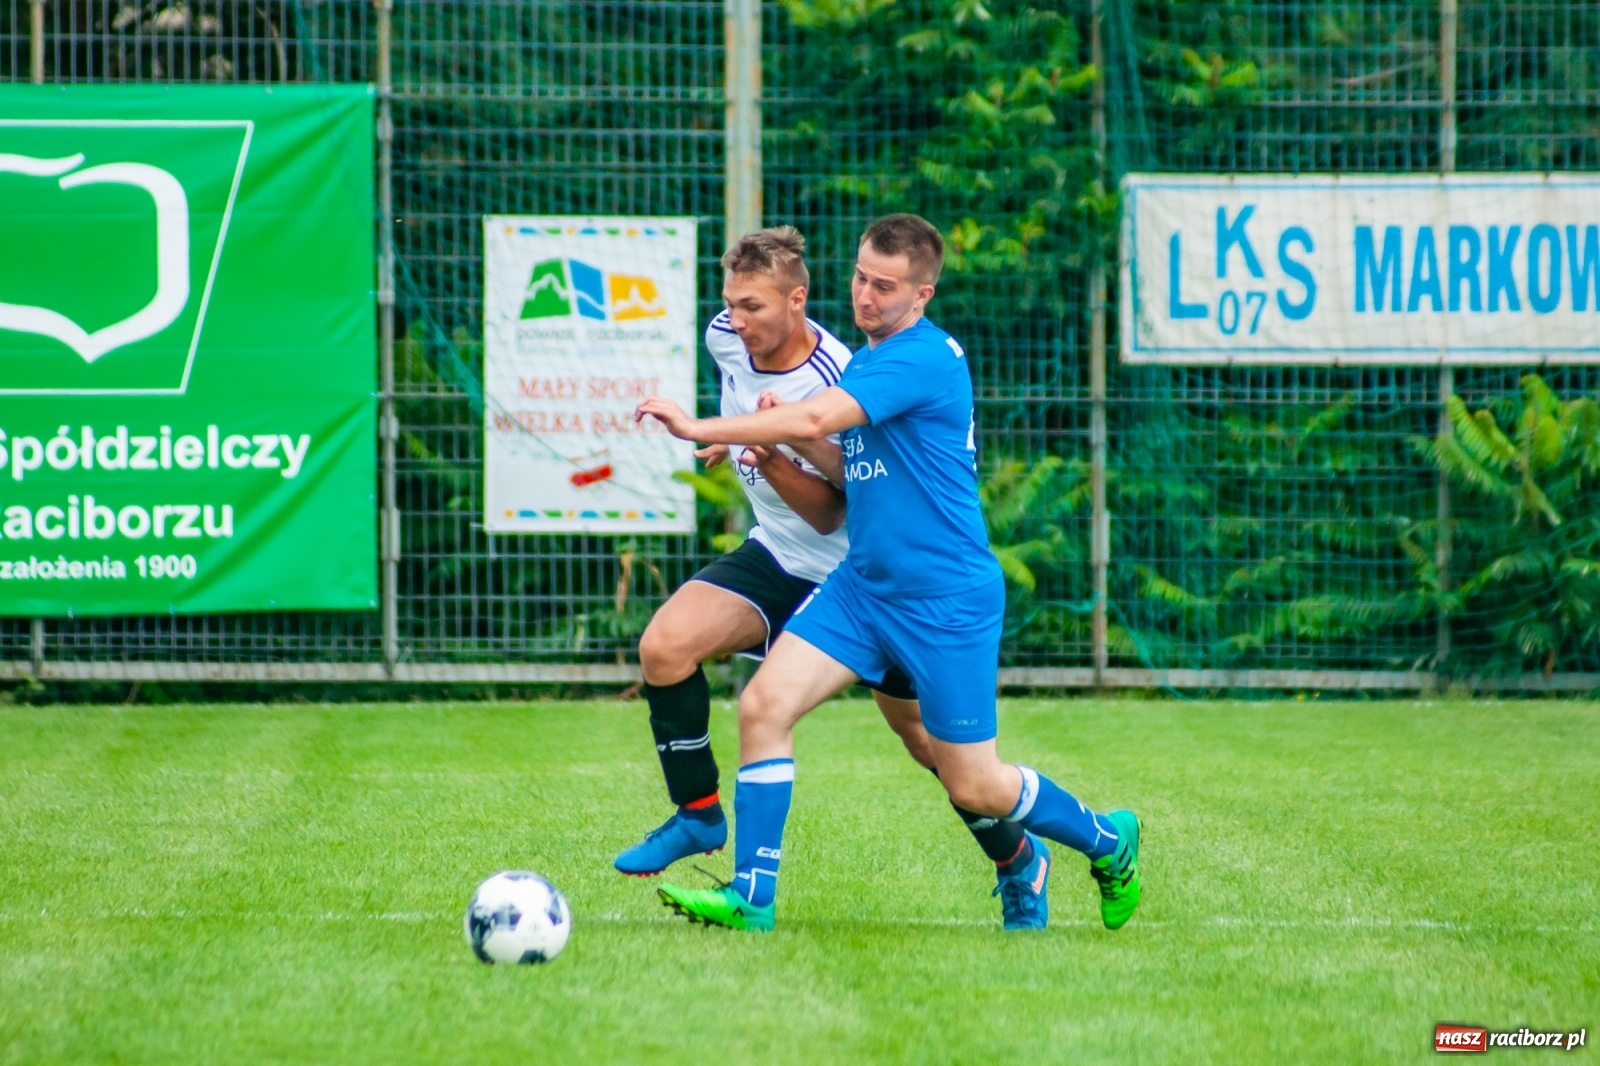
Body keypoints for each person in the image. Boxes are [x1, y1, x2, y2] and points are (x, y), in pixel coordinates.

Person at [636, 214, 1141, 933]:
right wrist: (772, 450)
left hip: (944, 600)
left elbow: (814, 422)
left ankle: (1107, 839)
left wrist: (702, 428)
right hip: (863, 588)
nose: (865, 296)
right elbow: (847, 465)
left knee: (974, 781)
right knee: (763, 707)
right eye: (860, 277)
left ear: (922, 294)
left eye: (885, 286)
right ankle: (752, 897)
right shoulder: (869, 362)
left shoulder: (923, 358)